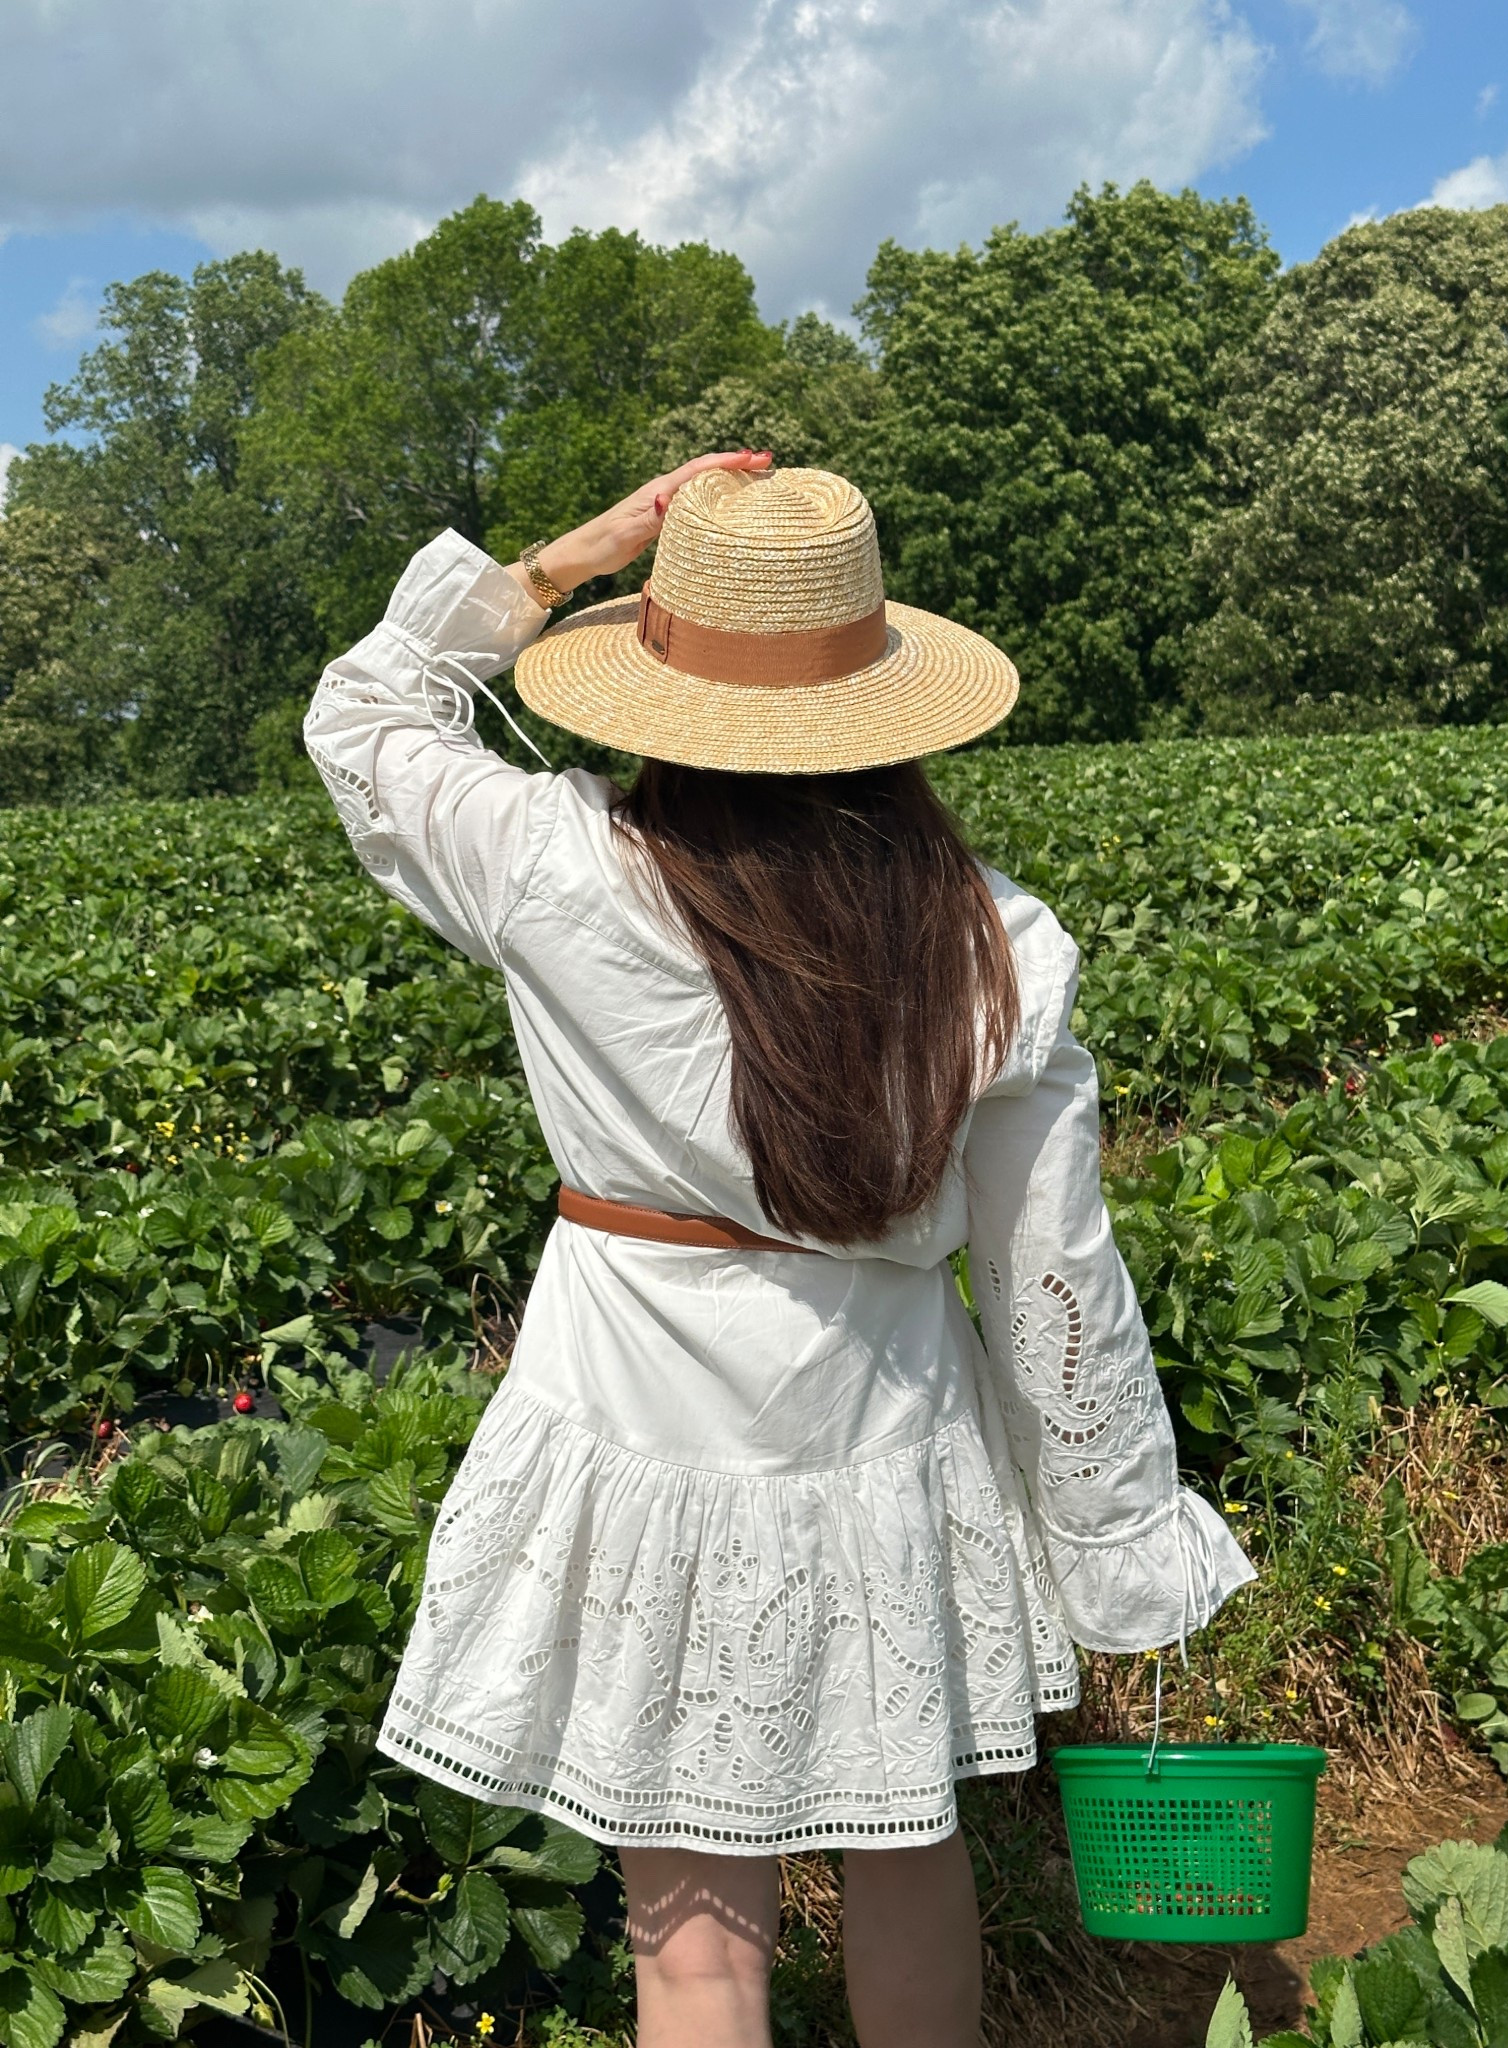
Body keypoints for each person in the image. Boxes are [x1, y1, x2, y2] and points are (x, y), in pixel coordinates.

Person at [303, 452, 1257, 2048]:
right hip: (886, 1435)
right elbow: (1052, 1275)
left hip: (635, 1427)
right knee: (908, 1861)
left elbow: (364, 718)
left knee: (695, 1947)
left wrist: (556, 568)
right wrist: (1115, 1543)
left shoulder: (556, 862)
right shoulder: (995, 939)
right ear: (882, 697)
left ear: (658, 687)